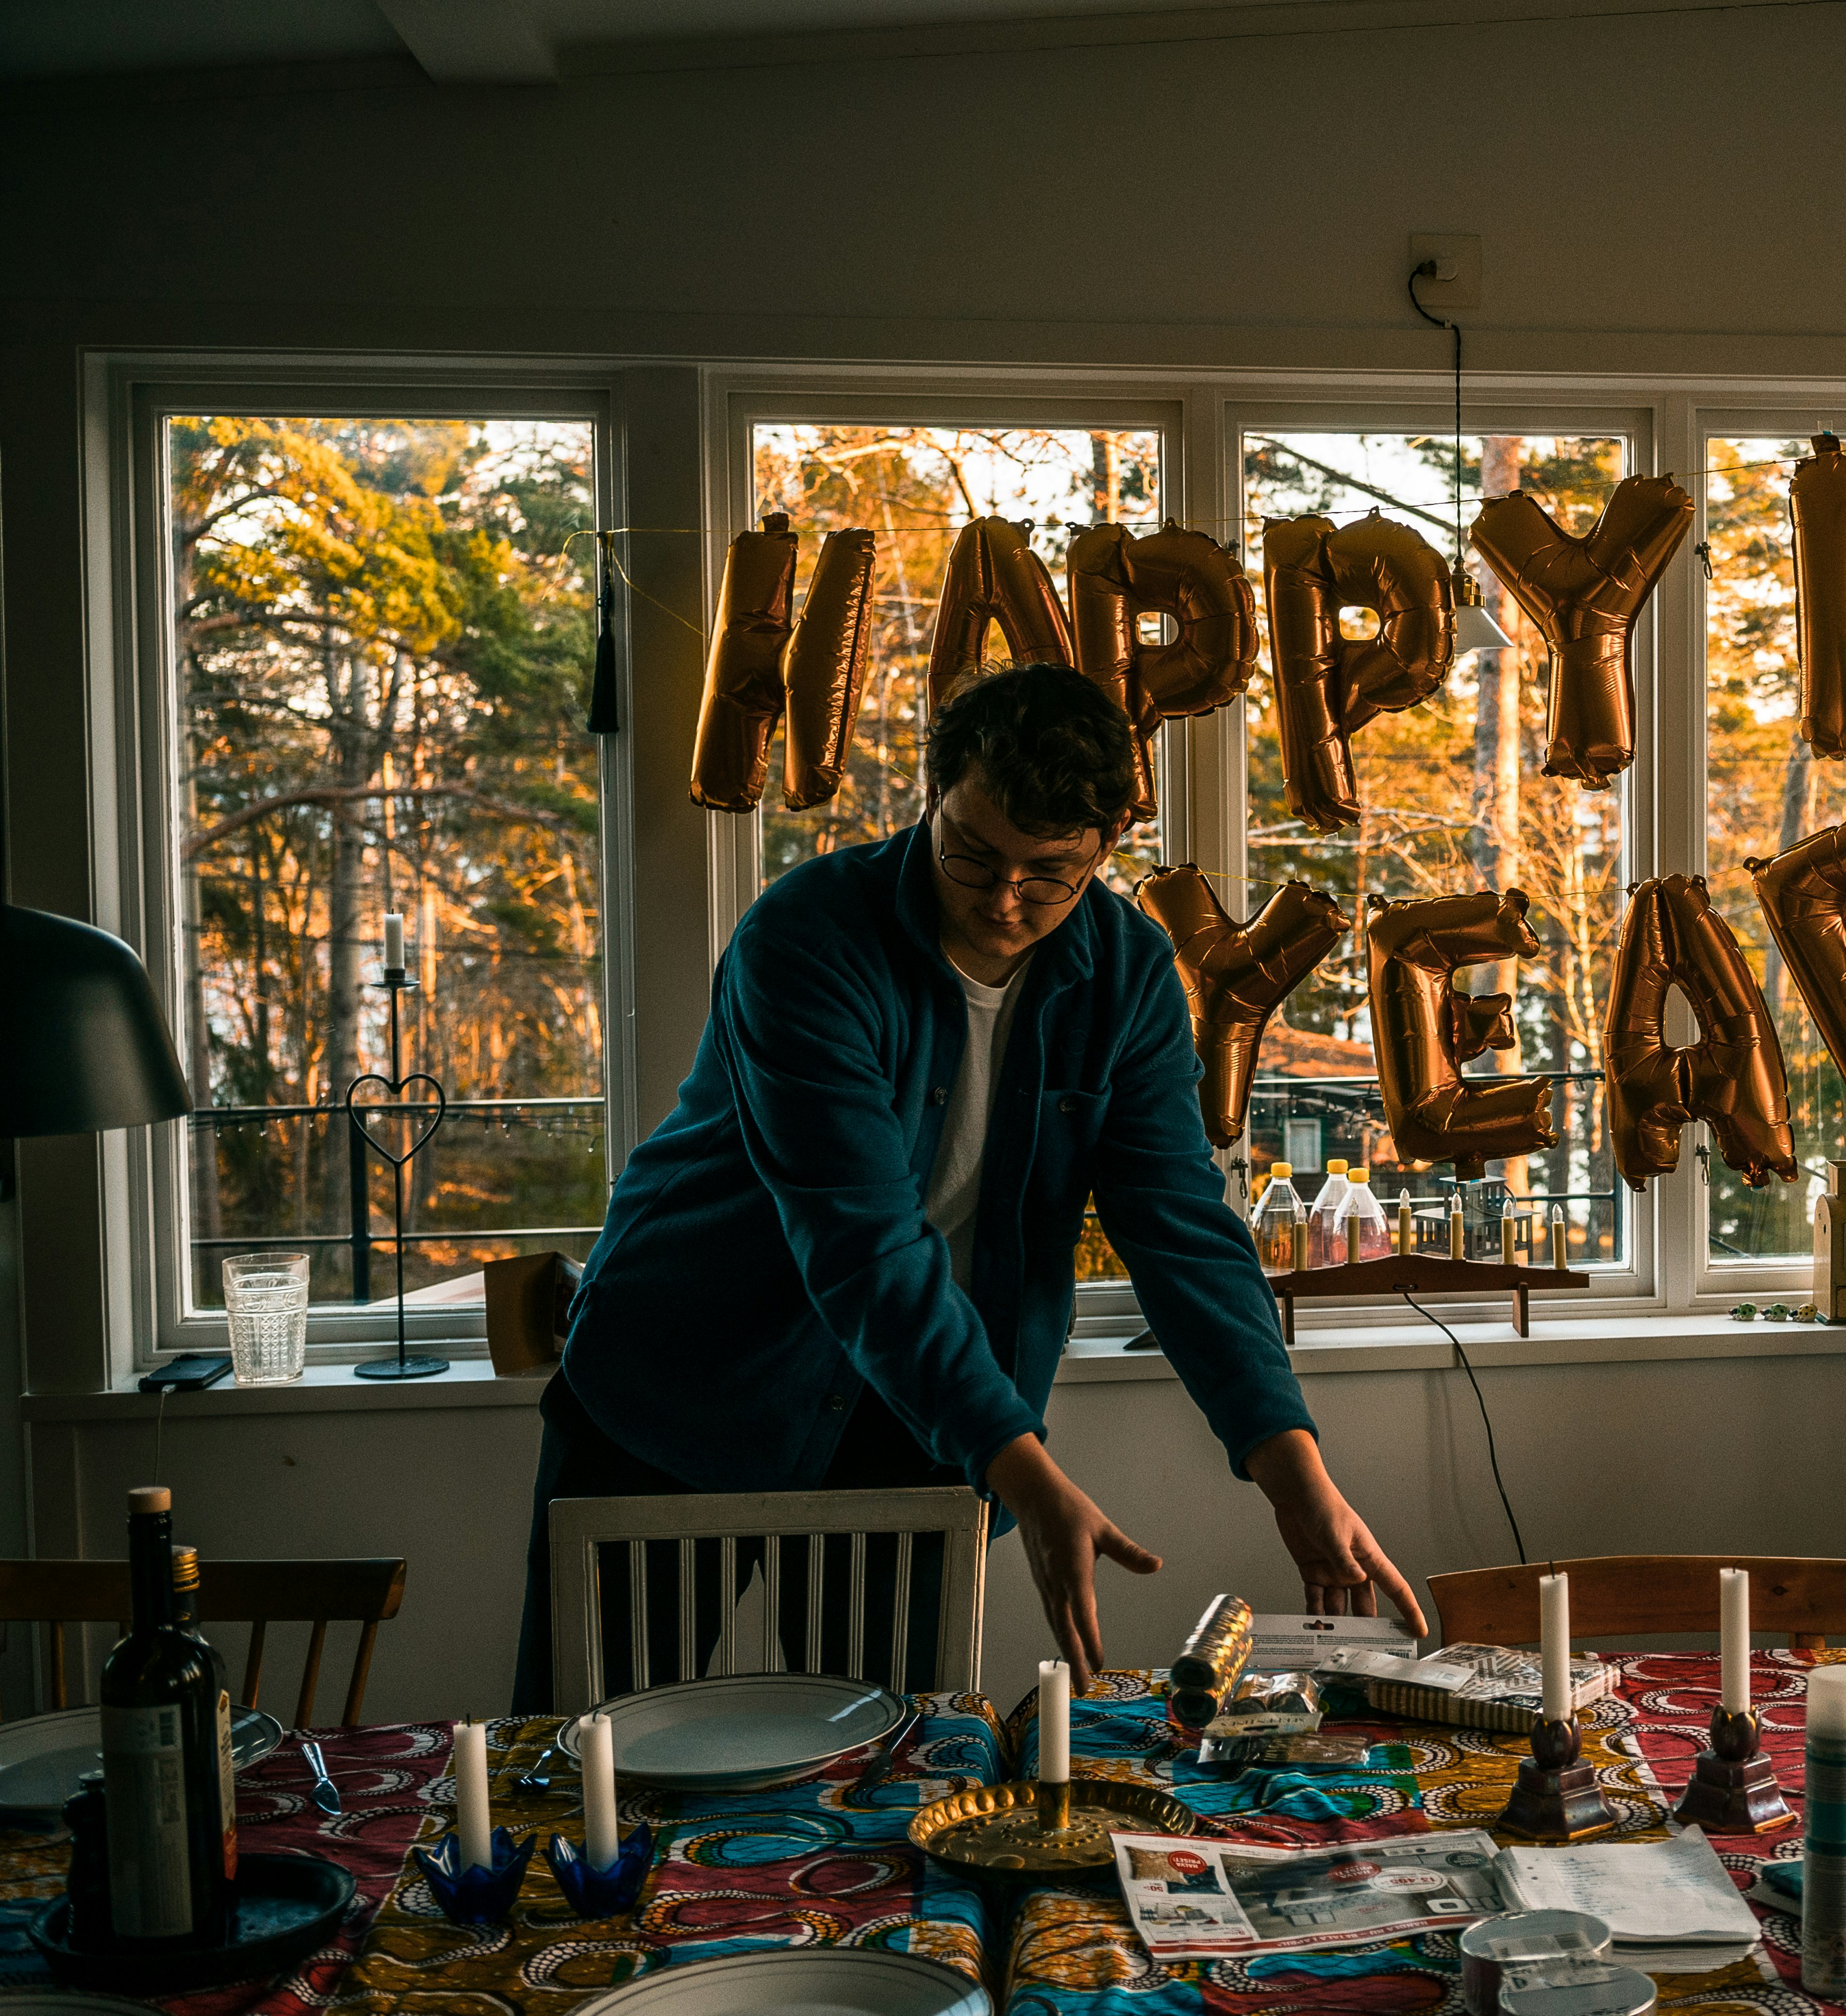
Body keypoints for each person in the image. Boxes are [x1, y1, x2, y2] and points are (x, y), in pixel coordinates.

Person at [511, 662, 1420, 1710]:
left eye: (1049, 873)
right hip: (683, 1388)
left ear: (1108, 848)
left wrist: (1289, 1465)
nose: (1003, 899)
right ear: (929, 800)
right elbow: (862, 1246)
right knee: (585, 1771)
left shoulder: (1127, 976)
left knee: (883, 1774)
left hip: (917, 1426)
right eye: (973, 855)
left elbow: (1179, 1226)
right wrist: (1023, 1473)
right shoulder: (805, 939)